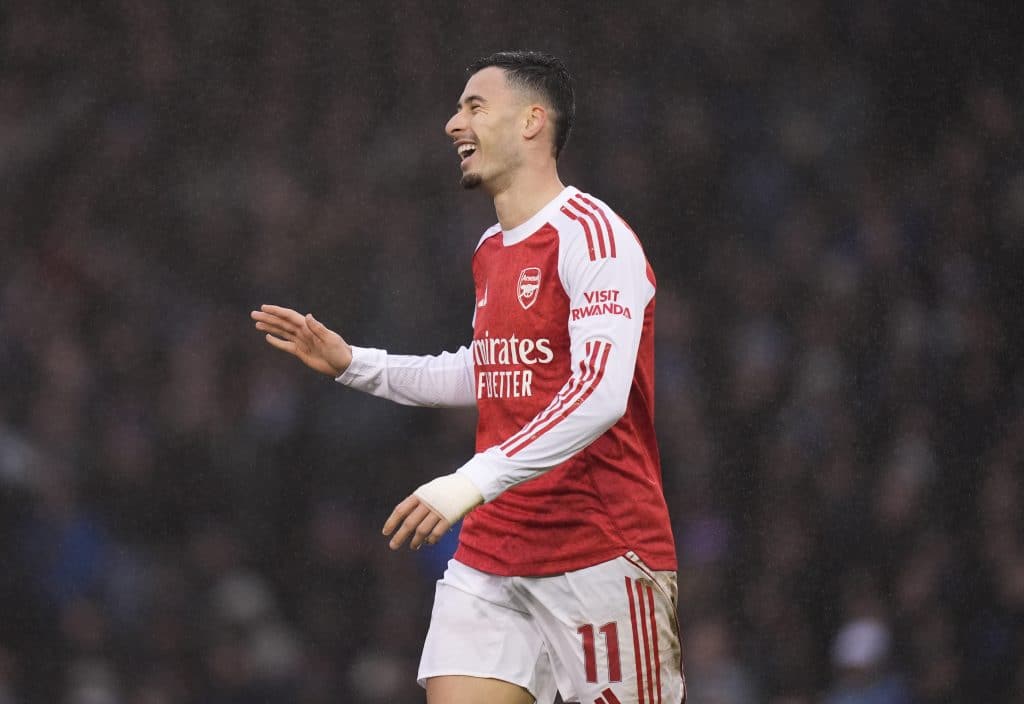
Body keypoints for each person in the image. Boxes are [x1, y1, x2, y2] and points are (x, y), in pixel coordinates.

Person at [251, 51, 684, 704]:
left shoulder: (595, 238)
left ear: (533, 121)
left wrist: (470, 481)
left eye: (473, 107)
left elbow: (598, 395)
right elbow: (490, 373)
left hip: (599, 555)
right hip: (493, 557)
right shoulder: (490, 250)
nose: (453, 124)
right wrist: (354, 365)